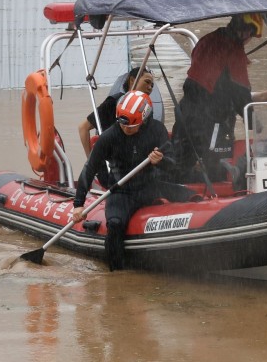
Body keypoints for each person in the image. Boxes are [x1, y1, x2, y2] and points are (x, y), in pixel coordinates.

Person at [172, 12, 267, 184]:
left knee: (183, 162)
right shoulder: (233, 49)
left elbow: (236, 93)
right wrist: (254, 121)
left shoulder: (207, 41)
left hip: (185, 115)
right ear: (246, 32)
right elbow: (242, 95)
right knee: (212, 169)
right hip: (209, 123)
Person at [71, 91, 193, 271]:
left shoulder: (157, 130)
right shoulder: (109, 137)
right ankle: (117, 273)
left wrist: (161, 161)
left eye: (131, 126)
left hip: (151, 185)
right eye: (122, 124)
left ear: (143, 120)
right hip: (122, 191)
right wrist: (78, 204)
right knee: (115, 223)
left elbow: (174, 165)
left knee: (191, 197)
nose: (125, 129)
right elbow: (89, 169)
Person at [77, 65, 158, 159]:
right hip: (114, 163)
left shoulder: (147, 110)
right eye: (147, 82)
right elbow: (83, 128)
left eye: (152, 85)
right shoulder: (113, 103)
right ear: (132, 81)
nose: (150, 88)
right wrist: (90, 160)